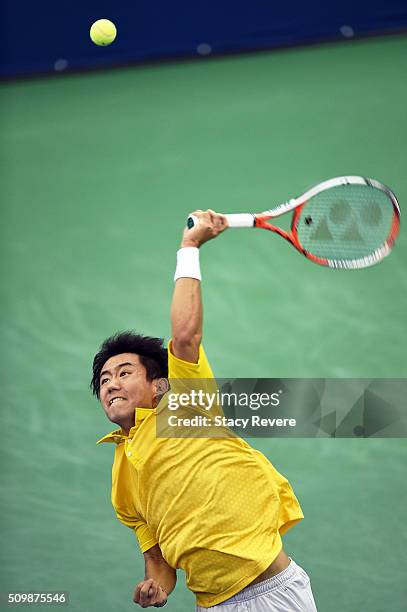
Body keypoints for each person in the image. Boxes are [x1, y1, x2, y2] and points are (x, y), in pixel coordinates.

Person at [92, 209, 318, 611]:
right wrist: (156, 587)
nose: (111, 383)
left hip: (272, 594)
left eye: (124, 372)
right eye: (104, 379)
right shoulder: (120, 483)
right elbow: (158, 560)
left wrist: (189, 247)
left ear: (159, 385)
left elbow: (184, 334)